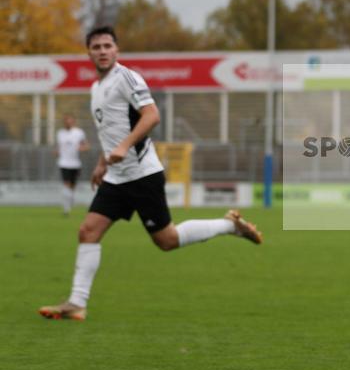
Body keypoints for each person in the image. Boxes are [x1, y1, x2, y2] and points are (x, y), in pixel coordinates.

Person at [38, 26, 263, 321]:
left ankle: (229, 226)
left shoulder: (126, 77)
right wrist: (103, 163)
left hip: (143, 174)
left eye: (107, 45)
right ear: (89, 53)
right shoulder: (96, 89)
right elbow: (111, 130)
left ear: (116, 50)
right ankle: (77, 303)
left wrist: (124, 146)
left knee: (166, 240)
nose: (103, 51)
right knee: (88, 231)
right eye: (96, 47)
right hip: (116, 177)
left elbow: (152, 115)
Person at [56, 113, 89, 216]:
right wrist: (57, 152)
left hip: (75, 163)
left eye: (70, 120)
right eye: (66, 120)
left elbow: (86, 145)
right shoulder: (60, 133)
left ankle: (69, 202)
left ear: (73, 121)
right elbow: (59, 147)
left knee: (72, 186)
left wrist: (82, 148)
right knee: (66, 184)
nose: (68, 122)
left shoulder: (79, 133)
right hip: (63, 162)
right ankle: (66, 209)